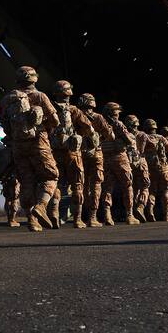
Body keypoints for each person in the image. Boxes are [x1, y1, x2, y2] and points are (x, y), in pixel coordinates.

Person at [1, 67, 59, 232]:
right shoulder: (40, 96)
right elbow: (55, 120)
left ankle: (31, 220)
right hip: (39, 143)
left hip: (18, 145)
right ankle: (40, 207)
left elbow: (4, 123)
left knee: (27, 181)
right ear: (34, 79)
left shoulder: (8, 99)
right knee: (51, 176)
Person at [49, 80, 93, 228]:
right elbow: (88, 128)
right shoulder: (74, 110)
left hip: (54, 152)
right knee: (77, 185)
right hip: (72, 153)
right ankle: (77, 219)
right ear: (69, 93)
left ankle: (54, 214)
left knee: (56, 184)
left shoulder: (49, 108)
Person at [77, 94, 114, 226]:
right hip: (96, 154)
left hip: (79, 153)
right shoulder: (98, 117)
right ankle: (93, 217)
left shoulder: (76, 114)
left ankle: (79, 217)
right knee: (96, 184)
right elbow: (110, 135)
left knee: (81, 185)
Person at [99, 102, 138, 225]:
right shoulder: (118, 124)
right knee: (127, 186)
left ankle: (107, 215)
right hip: (119, 158)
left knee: (107, 187)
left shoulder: (99, 124)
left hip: (105, 158)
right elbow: (129, 140)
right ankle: (129, 215)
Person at [144, 119, 168, 221]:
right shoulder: (161, 138)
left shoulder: (144, 137)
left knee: (151, 191)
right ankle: (167, 215)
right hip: (162, 168)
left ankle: (150, 212)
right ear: (155, 128)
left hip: (149, 168)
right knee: (166, 191)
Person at [125, 114, 152, 222]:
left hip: (130, 163)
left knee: (133, 187)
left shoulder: (125, 135)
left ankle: (132, 211)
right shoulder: (143, 135)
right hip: (141, 161)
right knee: (145, 186)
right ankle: (140, 206)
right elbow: (152, 146)